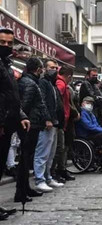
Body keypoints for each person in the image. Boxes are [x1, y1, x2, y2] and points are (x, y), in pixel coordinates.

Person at [0, 27, 30, 219]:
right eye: (2, 42)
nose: (6, 46)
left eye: (9, 43)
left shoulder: (7, 64)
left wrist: (21, 115)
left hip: (9, 121)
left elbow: (11, 95)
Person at [16, 57, 50, 203]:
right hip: (30, 125)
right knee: (24, 159)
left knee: (26, 158)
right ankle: (21, 192)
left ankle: (25, 188)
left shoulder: (28, 82)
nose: (42, 71)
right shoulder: (30, 84)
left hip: (32, 124)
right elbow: (24, 106)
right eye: (41, 68)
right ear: (37, 69)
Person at [34, 59, 65, 192]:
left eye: (56, 67)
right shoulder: (43, 83)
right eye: (51, 67)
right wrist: (47, 119)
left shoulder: (52, 84)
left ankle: (47, 177)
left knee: (50, 153)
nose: (54, 69)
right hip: (46, 123)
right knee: (42, 152)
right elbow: (42, 102)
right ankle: (39, 179)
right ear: (45, 69)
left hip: (55, 122)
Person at [53, 66, 76, 182]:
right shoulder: (61, 84)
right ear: (69, 77)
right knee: (59, 148)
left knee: (61, 147)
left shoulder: (61, 84)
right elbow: (58, 102)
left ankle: (60, 170)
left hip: (63, 119)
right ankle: (56, 172)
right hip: (61, 120)